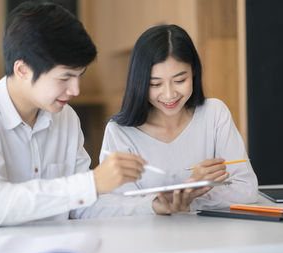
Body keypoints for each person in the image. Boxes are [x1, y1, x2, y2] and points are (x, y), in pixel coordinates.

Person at [0, 1, 146, 228]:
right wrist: (92, 183)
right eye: (64, 78)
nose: (75, 90)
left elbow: (82, 205)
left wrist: (152, 205)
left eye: (80, 75)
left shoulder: (65, 118)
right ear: (22, 70)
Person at [74, 24, 258, 217]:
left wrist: (191, 198)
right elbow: (112, 204)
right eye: (155, 84)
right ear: (139, 82)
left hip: (210, 237)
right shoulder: (120, 131)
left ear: (194, 73)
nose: (169, 94)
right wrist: (164, 202)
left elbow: (246, 189)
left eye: (180, 81)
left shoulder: (214, 114)